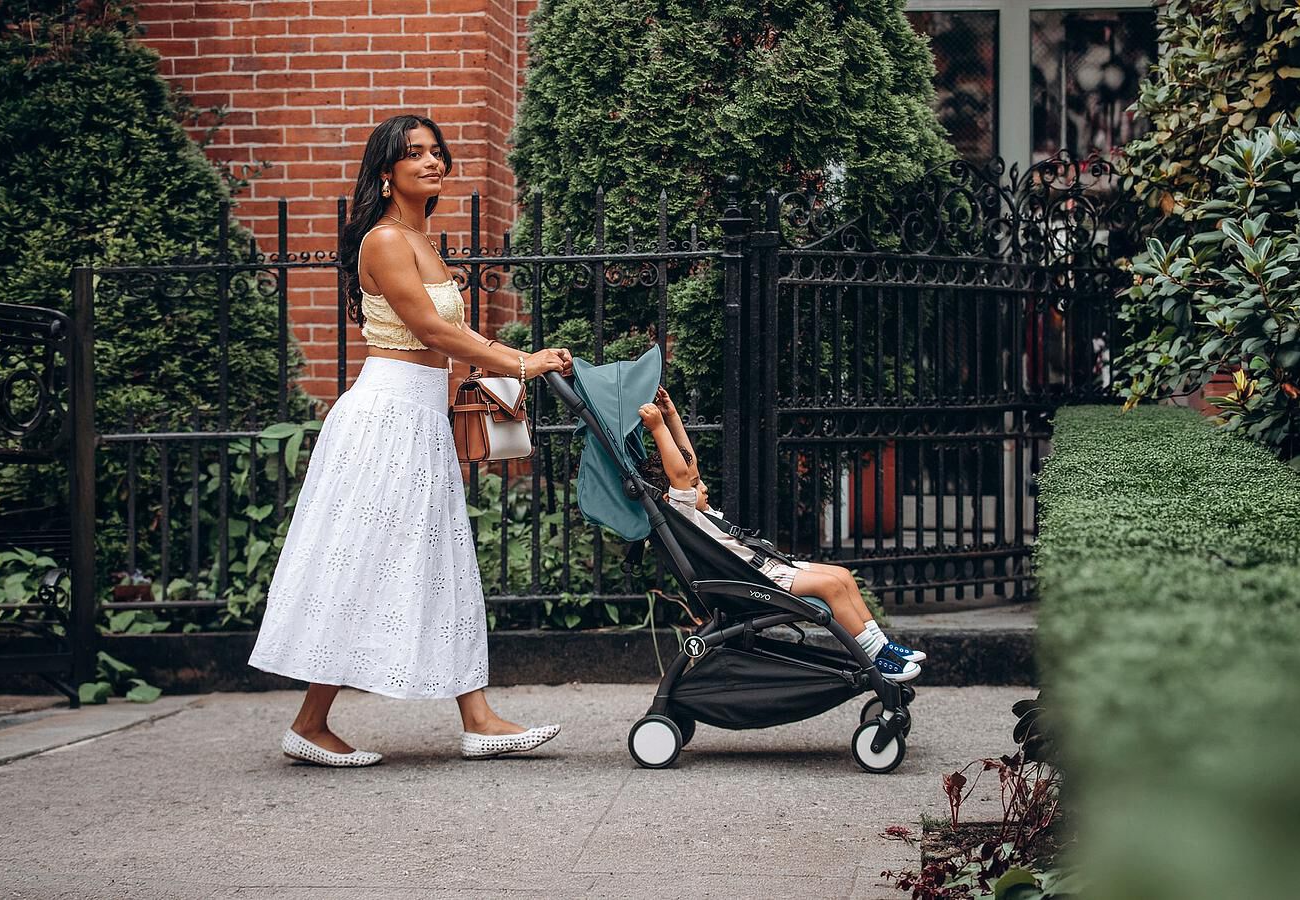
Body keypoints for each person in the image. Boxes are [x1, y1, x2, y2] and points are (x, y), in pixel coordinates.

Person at [248, 114, 574, 766]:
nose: (432, 162)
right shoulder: (386, 241)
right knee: (362, 560)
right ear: (386, 172)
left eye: (436, 152)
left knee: (443, 560)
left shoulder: (421, 240)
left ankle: (478, 718)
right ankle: (310, 724)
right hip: (386, 420)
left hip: (420, 419)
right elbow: (432, 331)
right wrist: (521, 362)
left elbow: (450, 339)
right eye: (415, 153)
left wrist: (498, 369)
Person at [637, 388, 926, 681]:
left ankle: (881, 645)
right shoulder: (682, 513)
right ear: (672, 496)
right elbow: (680, 474)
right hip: (758, 580)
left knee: (842, 576)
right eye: (695, 486)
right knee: (832, 587)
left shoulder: (698, 513)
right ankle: (875, 658)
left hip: (767, 567)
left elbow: (688, 464)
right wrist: (659, 428)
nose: (703, 487)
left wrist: (673, 417)